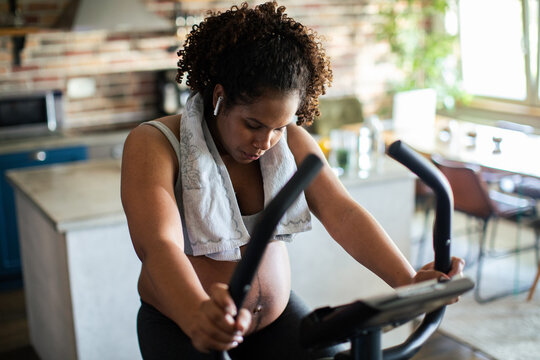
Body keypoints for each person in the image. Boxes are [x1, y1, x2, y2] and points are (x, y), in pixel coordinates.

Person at [120, 2, 464, 359]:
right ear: (220, 97)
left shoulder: (290, 143)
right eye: (253, 124)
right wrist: (196, 314)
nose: (265, 142)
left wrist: (408, 283)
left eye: (279, 127)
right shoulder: (156, 144)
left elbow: (342, 213)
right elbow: (159, 245)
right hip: (187, 325)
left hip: (274, 323)